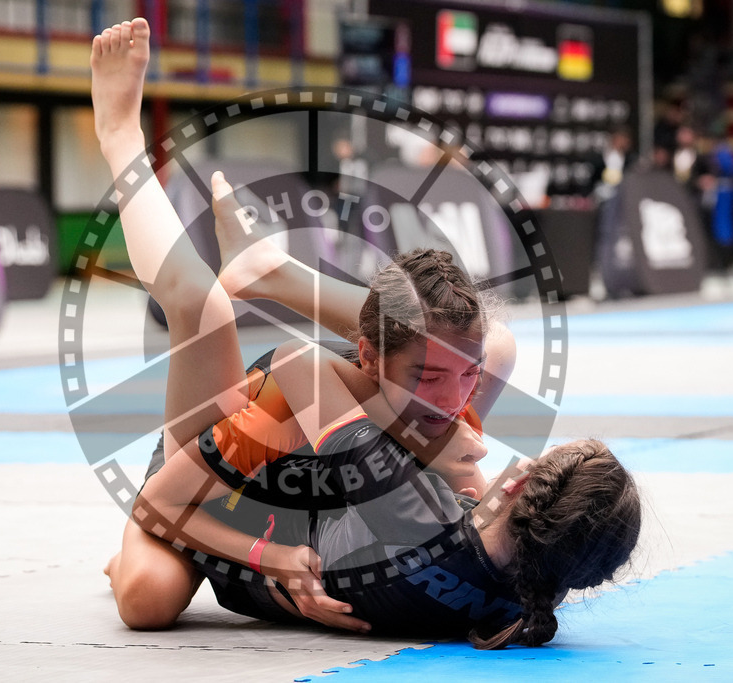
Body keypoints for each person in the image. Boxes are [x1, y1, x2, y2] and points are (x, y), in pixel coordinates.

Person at [92, 17, 642, 647]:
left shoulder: (433, 480)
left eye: (455, 382)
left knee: (148, 597)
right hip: (266, 438)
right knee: (491, 349)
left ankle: (166, 176)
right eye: (434, 380)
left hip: (227, 496)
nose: (460, 416)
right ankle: (244, 244)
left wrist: (265, 557)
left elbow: (161, 503)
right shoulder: (525, 579)